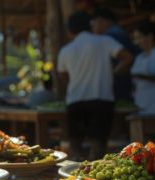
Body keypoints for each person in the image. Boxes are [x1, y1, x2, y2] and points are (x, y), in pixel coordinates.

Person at [57, 12, 133, 161]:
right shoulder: (105, 41)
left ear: (70, 31)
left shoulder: (66, 50)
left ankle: (73, 178)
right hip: (102, 99)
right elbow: (128, 58)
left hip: (75, 100)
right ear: (90, 26)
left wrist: (77, 79)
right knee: (98, 144)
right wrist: (114, 73)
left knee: (75, 145)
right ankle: (96, 179)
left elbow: (62, 75)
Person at [131, 22, 155, 147]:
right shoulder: (140, 57)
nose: (137, 42)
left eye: (139, 37)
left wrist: (145, 77)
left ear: (150, 36)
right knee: (147, 143)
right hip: (144, 105)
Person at [91, 8, 141, 101]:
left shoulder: (111, 36)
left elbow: (128, 58)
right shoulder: (120, 32)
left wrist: (111, 75)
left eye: (94, 24)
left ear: (103, 21)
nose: (93, 28)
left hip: (119, 83)